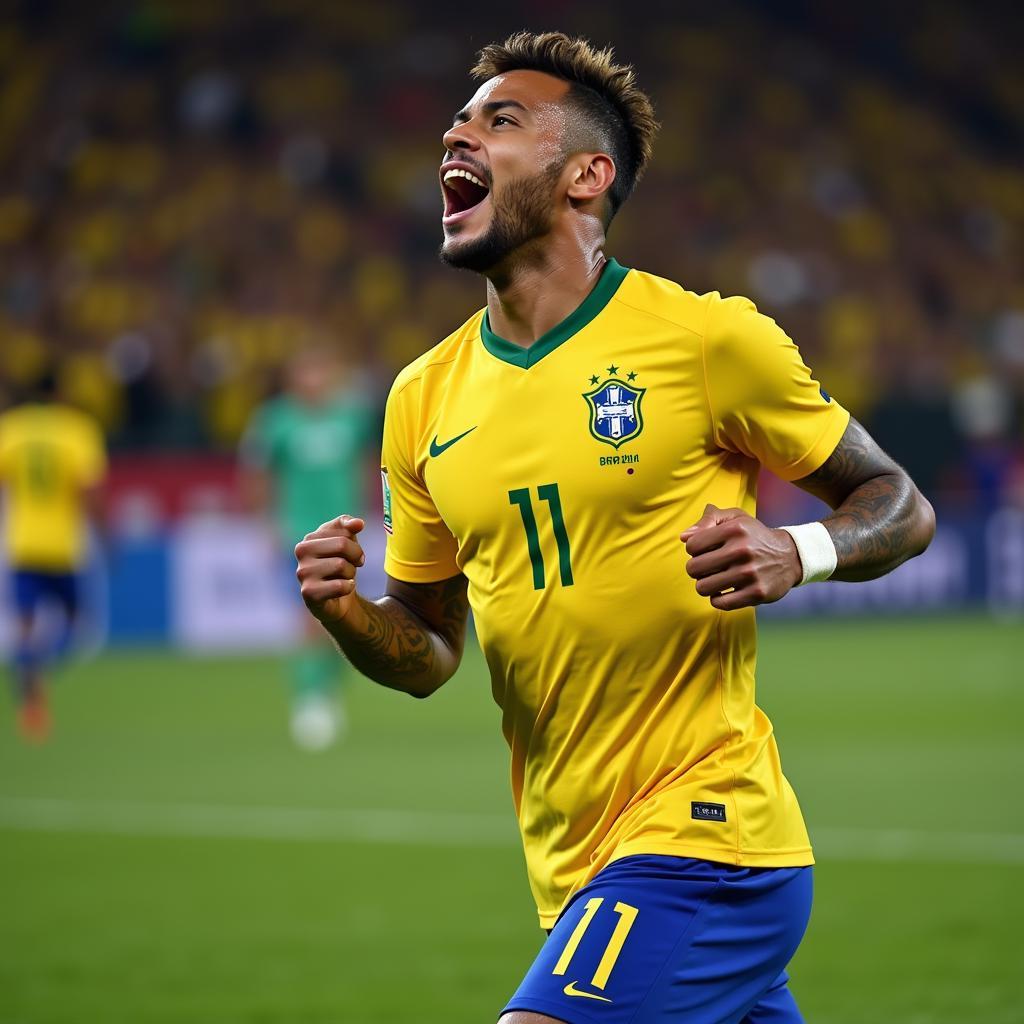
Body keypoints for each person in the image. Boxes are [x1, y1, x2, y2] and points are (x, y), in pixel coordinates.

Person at [294, 32, 935, 1023]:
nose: (455, 133)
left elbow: (898, 502)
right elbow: (425, 651)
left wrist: (798, 549)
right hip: (572, 863)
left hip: (704, 835)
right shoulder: (420, 398)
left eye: (499, 119)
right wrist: (345, 611)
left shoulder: (707, 339)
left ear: (586, 175)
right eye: (459, 119)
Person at [240, 345, 377, 750]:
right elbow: (257, 473)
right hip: (298, 535)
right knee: (309, 618)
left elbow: (367, 464)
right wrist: (264, 522)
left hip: (345, 534)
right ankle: (308, 697)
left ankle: (328, 691)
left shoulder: (352, 416)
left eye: (320, 370)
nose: (313, 380)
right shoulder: (276, 421)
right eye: (305, 372)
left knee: (344, 617)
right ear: (292, 378)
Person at [0, 370, 107, 741]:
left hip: (22, 543)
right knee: (79, 627)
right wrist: (105, 534)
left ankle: (31, 687)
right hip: (63, 545)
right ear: (60, 392)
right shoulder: (76, 429)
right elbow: (90, 489)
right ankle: (38, 680)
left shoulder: (11, 429)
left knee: (26, 629)